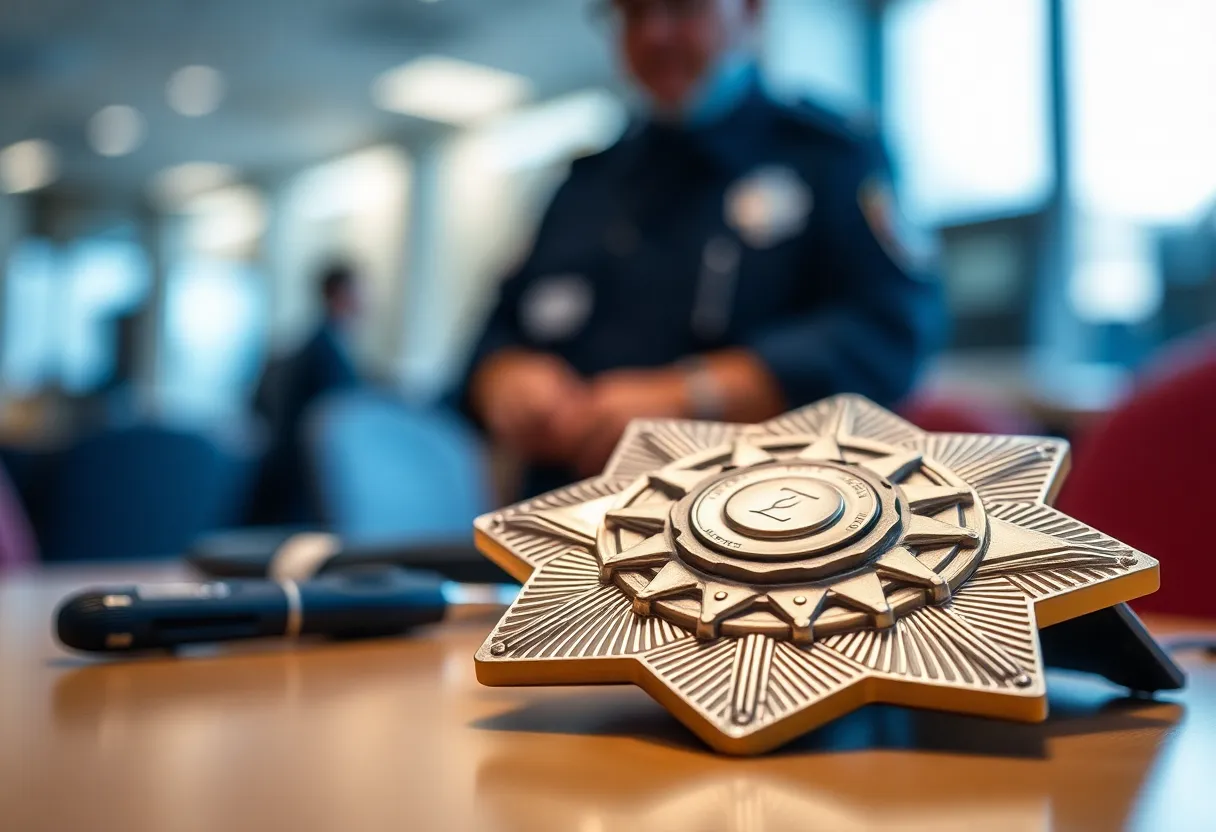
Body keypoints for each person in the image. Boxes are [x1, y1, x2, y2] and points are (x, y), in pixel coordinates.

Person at [458, 0, 945, 498]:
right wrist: (505, 377)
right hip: (573, 518)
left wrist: (695, 395)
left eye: (683, 9)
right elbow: (491, 338)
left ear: (751, 13)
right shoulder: (581, 187)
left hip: (767, 523)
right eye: (633, 16)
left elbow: (889, 331)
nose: (655, 36)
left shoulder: (829, 156)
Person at [250, 263, 364, 523]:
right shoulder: (325, 351)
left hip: (292, 476)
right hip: (303, 481)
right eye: (361, 291)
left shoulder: (321, 341)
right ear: (340, 294)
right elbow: (342, 417)